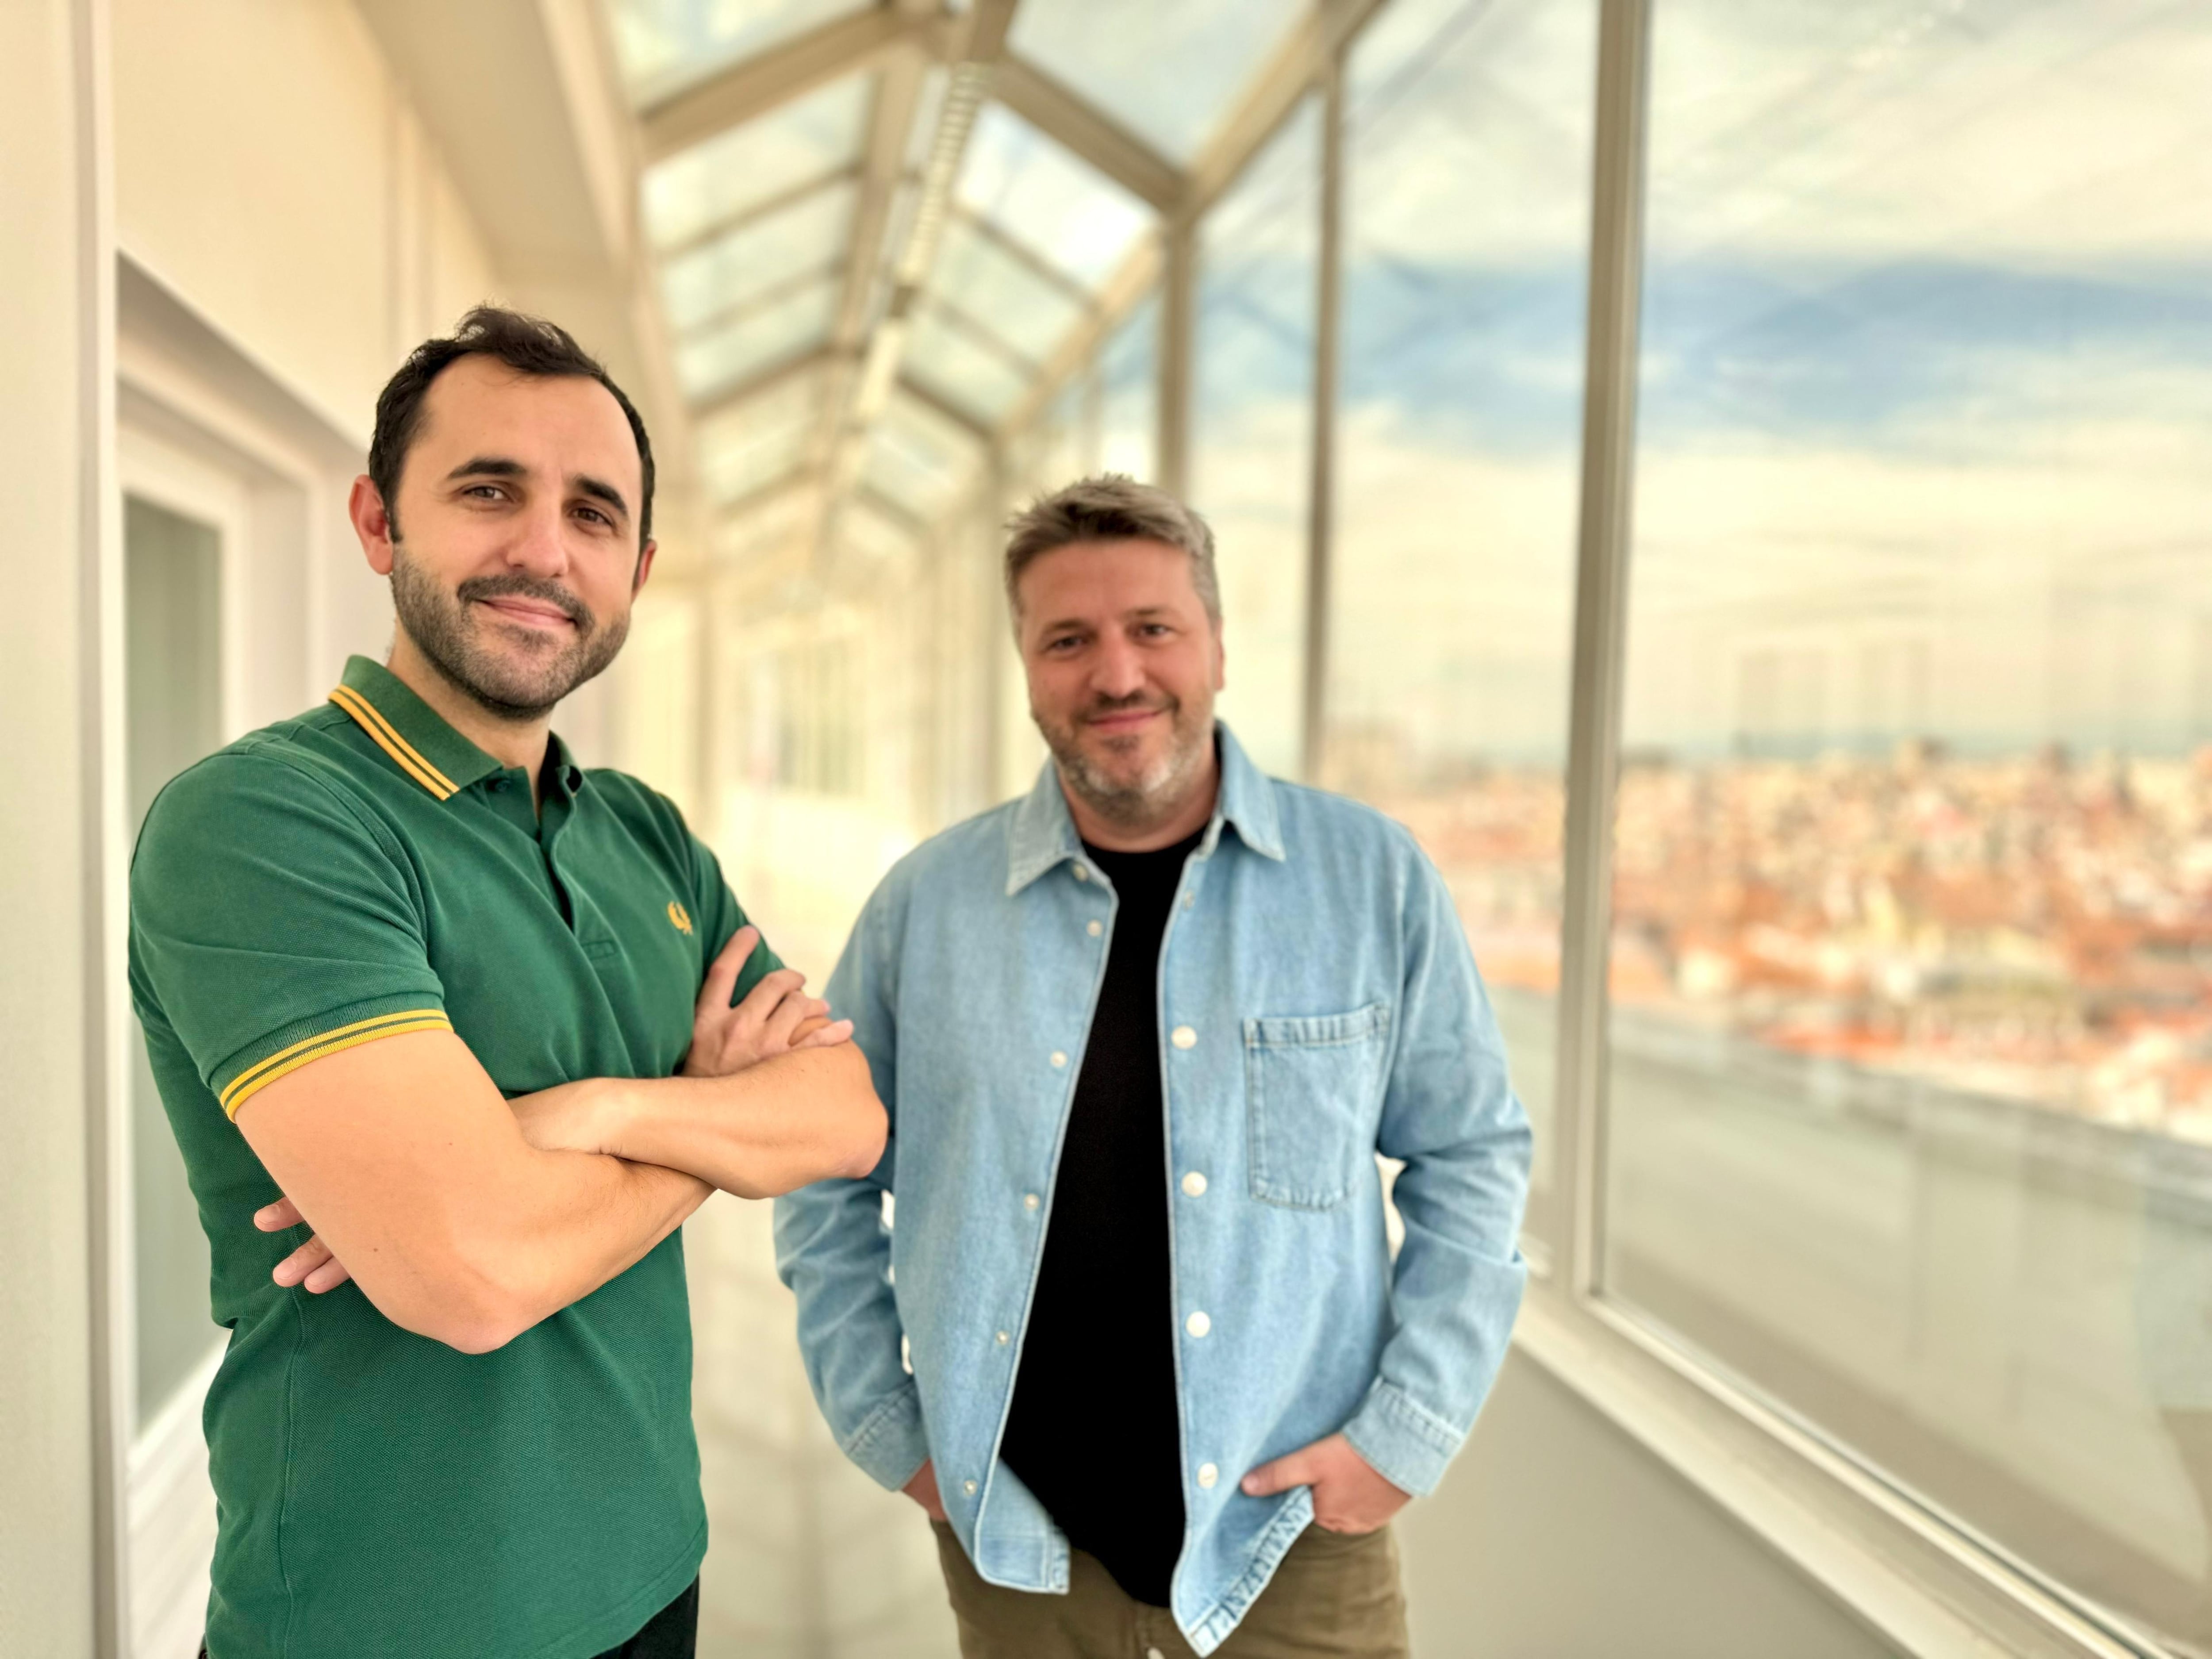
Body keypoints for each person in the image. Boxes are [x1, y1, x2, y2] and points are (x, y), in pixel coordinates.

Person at [128, 307, 886, 1659]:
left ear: (637, 570)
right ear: (379, 522)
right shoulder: (269, 822)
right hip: (387, 1619)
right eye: (489, 491)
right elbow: (475, 1274)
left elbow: (844, 1118)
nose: (546, 550)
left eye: (594, 515)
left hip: (655, 1566)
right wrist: (709, 1125)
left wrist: (589, 1112)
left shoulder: (641, 830)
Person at [775, 475, 1532, 1657]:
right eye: (1068, 640)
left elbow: (1474, 1155)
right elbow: (816, 1172)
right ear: (1027, 668)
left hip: (1289, 1543)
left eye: (1154, 630)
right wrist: (888, 1425)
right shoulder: (925, 908)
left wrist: (1404, 1434)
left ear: (1218, 647)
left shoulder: (1371, 882)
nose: (1117, 676)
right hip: (1017, 1544)